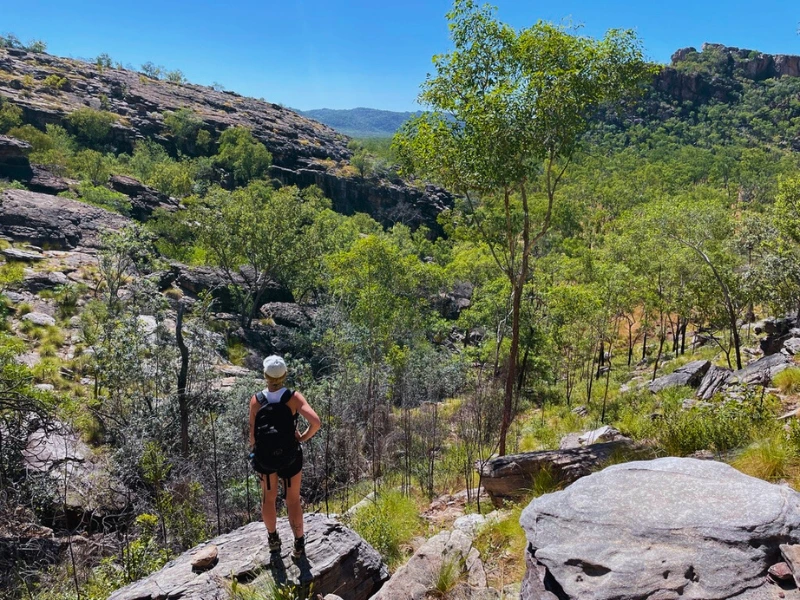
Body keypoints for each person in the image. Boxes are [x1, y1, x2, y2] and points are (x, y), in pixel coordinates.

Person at [249, 355, 320, 559]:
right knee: (293, 500)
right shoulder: (293, 398)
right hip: (290, 455)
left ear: (265, 376)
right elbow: (316, 422)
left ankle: (273, 540)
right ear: (285, 375)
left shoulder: (256, 400)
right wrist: (302, 437)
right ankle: (298, 545)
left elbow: (252, 436)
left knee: (268, 499)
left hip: (266, 459)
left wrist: (259, 451)